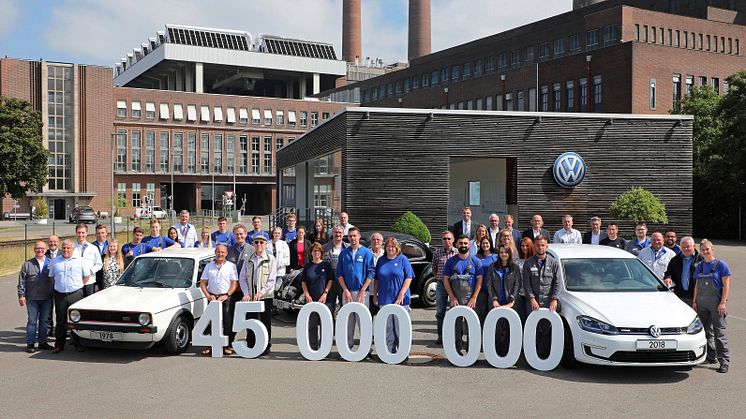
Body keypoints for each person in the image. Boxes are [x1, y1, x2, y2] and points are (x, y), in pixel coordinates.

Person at [692, 239, 731, 373]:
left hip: (716, 303)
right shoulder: (700, 266)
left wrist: (723, 303)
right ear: (701, 252)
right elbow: (697, 285)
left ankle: (724, 361)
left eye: (707, 249)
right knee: (705, 332)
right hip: (702, 302)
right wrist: (694, 301)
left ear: (712, 249)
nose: (705, 252)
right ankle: (710, 355)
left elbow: (726, 285)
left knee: (719, 333)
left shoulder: (721, 265)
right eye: (703, 250)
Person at [442, 234, 483, 355]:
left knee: (472, 325)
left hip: (471, 300)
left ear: (469, 245)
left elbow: (480, 280)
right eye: (461, 243)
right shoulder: (450, 261)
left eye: (465, 243)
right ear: (456, 244)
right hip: (456, 299)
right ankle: (457, 349)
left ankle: (472, 350)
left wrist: (474, 297)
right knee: (457, 325)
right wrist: (452, 297)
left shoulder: (476, 261)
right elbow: (445, 280)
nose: (463, 245)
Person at [48, 240, 91, 353]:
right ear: (61, 249)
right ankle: (59, 345)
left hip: (76, 294)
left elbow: (87, 276)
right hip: (60, 295)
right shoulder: (55, 261)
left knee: (76, 320)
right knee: (60, 320)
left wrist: (78, 285)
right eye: (64, 248)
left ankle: (79, 344)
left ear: (72, 249)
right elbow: (52, 277)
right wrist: (60, 285)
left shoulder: (80, 261)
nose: (66, 250)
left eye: (68, 248)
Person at [522, 235, 561, 358]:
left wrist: (554, 299)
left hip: (548, 302)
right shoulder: (528, 263)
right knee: (533, 329)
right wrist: (532, 299)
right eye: (538, 245)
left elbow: (557, 282)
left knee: (547, 330)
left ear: (547, 246)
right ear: (534, 246)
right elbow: (526, 283)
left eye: (543, 245)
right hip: (532, 302)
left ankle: (546, 355)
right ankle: (532, 356)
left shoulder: (554, 263)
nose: (540, 247)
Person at [336, 227, 375, 349]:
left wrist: (363, 290)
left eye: (354, 236)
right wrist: (345, 290)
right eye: (350, 236)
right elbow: (339, 274)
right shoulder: (343, 253)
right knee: (348, 321)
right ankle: (348, 347)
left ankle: (366, 349)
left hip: (362, 293)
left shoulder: (367, 253)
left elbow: (371, 273)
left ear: (359, 237)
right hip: (347, 292)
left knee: (363, 321)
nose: (352, 238)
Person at [374, 236, 414, 354]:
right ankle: (390, 351)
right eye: (388, 246)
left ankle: (402, 353)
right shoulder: (381, 260)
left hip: (401, 300)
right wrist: (375, 295)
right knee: (388, 328)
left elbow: (409, 277)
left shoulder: (403, 259)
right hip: (384, 298)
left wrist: (401, 293)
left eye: (393, 246)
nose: (390, 248)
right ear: (385, 248)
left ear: (397, 248)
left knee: (400, 327)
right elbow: (376, 279)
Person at [239, 234, 277, 356]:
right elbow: (242, 278)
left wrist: (261, 292)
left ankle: (265, 346)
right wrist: (246, 293)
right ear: (253, 244)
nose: (259, 245)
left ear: (266, 244)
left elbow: (271, 281)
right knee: (251, 320)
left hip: (265, 297)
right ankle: (251, 345)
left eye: (261, 242)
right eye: (256, 242)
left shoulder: (271, 259)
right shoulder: (248, 259)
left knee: (265, 322)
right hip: (251, 297)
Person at [199, 244, 239, 356]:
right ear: (215, 253)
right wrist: (207, 295)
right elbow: (203, 283)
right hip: (212, 297)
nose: (220, 254)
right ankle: (211, 345)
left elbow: (234, 283)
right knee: (212, 322)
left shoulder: (231, 266)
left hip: (226, 297)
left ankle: (226, 345)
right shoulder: (209, 266)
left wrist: (227, 295)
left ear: (226, 253)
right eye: (218, 252)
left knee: (227, 322)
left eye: (222, 252)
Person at [486, 244, 523, 355]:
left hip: (510, 303)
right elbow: (489, 284)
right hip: (495, 302)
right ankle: (496, 352)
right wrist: (494, 299)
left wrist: (512, 300)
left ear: (510, 254)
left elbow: (518, 284)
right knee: (496, 328)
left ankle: (508, 353)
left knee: (508, 328)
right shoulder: (492, 267)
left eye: (506, 252)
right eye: (501, 252)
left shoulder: (515, 268)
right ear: (499, 254)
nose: (504, 254)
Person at [18, 241, 53, 353]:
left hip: (47, 298)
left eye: (42, 248)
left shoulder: (51, 263)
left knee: (44, 321)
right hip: (32, 298)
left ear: (46, 249)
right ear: (34, 249)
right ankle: (30, 343)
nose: (40, 250)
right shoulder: (27, 264)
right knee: (32, 322)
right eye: (37, 248)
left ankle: (42, 342)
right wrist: (21, 295)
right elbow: (22, 281)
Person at [300, 243, 335, 350]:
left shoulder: (326, 265)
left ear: (321, 253)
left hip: (325, 299)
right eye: (314, 251)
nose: (316, 253)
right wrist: (306, 294)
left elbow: (331, 280)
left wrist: (325, 293)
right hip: (311, 299)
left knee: (325, 324)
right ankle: (313, 347)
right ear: (311, 253)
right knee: (312, 324)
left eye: (318, 251)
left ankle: (324, 347)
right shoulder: (308, 266)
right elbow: (303, 282)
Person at [226, 223, 254, 346]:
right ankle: (229, 341)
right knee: (230, 316)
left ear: (245, 234)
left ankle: (251, 342)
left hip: (247, 290)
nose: (239, 236)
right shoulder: (229, 250)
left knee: (249, 316)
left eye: (241, 234)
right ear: (234, 235)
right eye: (237, 234)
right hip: (233, 289)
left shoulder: (252, 249)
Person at [431, 230, 458, 345]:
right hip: (441, 284)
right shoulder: (437, 253)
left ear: (453, 240)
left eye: (449, 238)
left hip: (455, 285)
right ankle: (441, 335)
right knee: (440, 311)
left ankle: (453, 335)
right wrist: (440, 277)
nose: (447, 241)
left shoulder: (457, 252)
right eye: (444, 239)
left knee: (454, 311)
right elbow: (434, 268)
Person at [663, 236, 701, 305]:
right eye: (683, 247)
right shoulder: (675, 260)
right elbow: (669, 272)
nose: (686, 249)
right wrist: (668, 277)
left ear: (694, 246)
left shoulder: (701, 259)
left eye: (688, 247)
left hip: (696, 297)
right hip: (680, 296)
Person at [323, 225, 349, 319]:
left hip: (344, 281)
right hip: (330, 281)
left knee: (344, 305)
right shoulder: (325, 247)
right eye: (336, 232)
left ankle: (342, 328)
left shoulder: (348, 248)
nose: (338, 234)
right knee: (330, 306)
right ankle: (330, 328)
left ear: (343, 234)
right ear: (332, 233)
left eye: (340, 233)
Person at [72, 223, 102, 297]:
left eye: (83, 232)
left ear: (86, 233)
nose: (81, 235)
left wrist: (90, 271)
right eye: (79, 232)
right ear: (76, 233)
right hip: (76, 282)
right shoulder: (72, 248)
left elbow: (99, 264)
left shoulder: (93, 248)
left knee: (88, 304)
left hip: (89, 282)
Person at [475, 236, 497, 324]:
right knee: (481, 313)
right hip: (481, 289)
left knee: (492, 313)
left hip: (494, 289)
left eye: (487, 243)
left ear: (490, 244)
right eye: (483, 243)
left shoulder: (496, 257)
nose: (485, 245)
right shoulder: (477, 257)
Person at [369, 232, 385, 315]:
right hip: (369, 290)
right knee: (369, 316)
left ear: (382, 242)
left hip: (383, 291)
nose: (376, 241)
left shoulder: (386, 254)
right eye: (374, 239)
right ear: (371, 241)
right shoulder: (366, 253)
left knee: (382, 316)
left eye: (378, 239)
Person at [92, 224, 109, 291]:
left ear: (106, 233)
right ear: (96, 234)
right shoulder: (91, 246)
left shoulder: (111, 245)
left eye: (102, 233)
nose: (101, 235)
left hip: (107, 277)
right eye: (98, 233)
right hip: (95, 277)